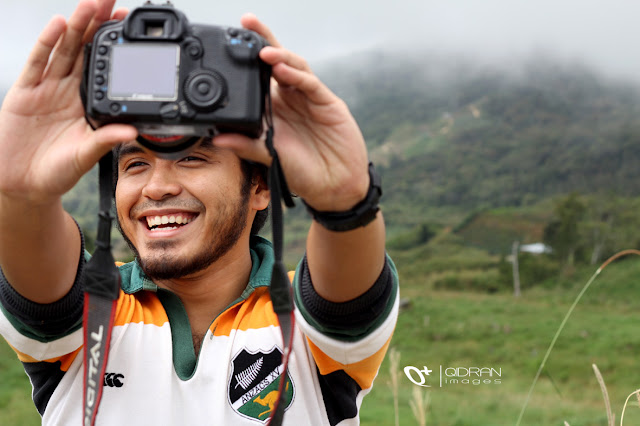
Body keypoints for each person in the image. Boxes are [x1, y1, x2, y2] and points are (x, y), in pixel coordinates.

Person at [0, 0, 399, 424]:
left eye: (191, 158)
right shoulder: (93, 311)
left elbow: (348, 283)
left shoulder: (305, 321)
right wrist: (18, 194)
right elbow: (32, 242)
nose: (157, 187)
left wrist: (345, 199)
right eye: (135, 165)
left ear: (260, 186)